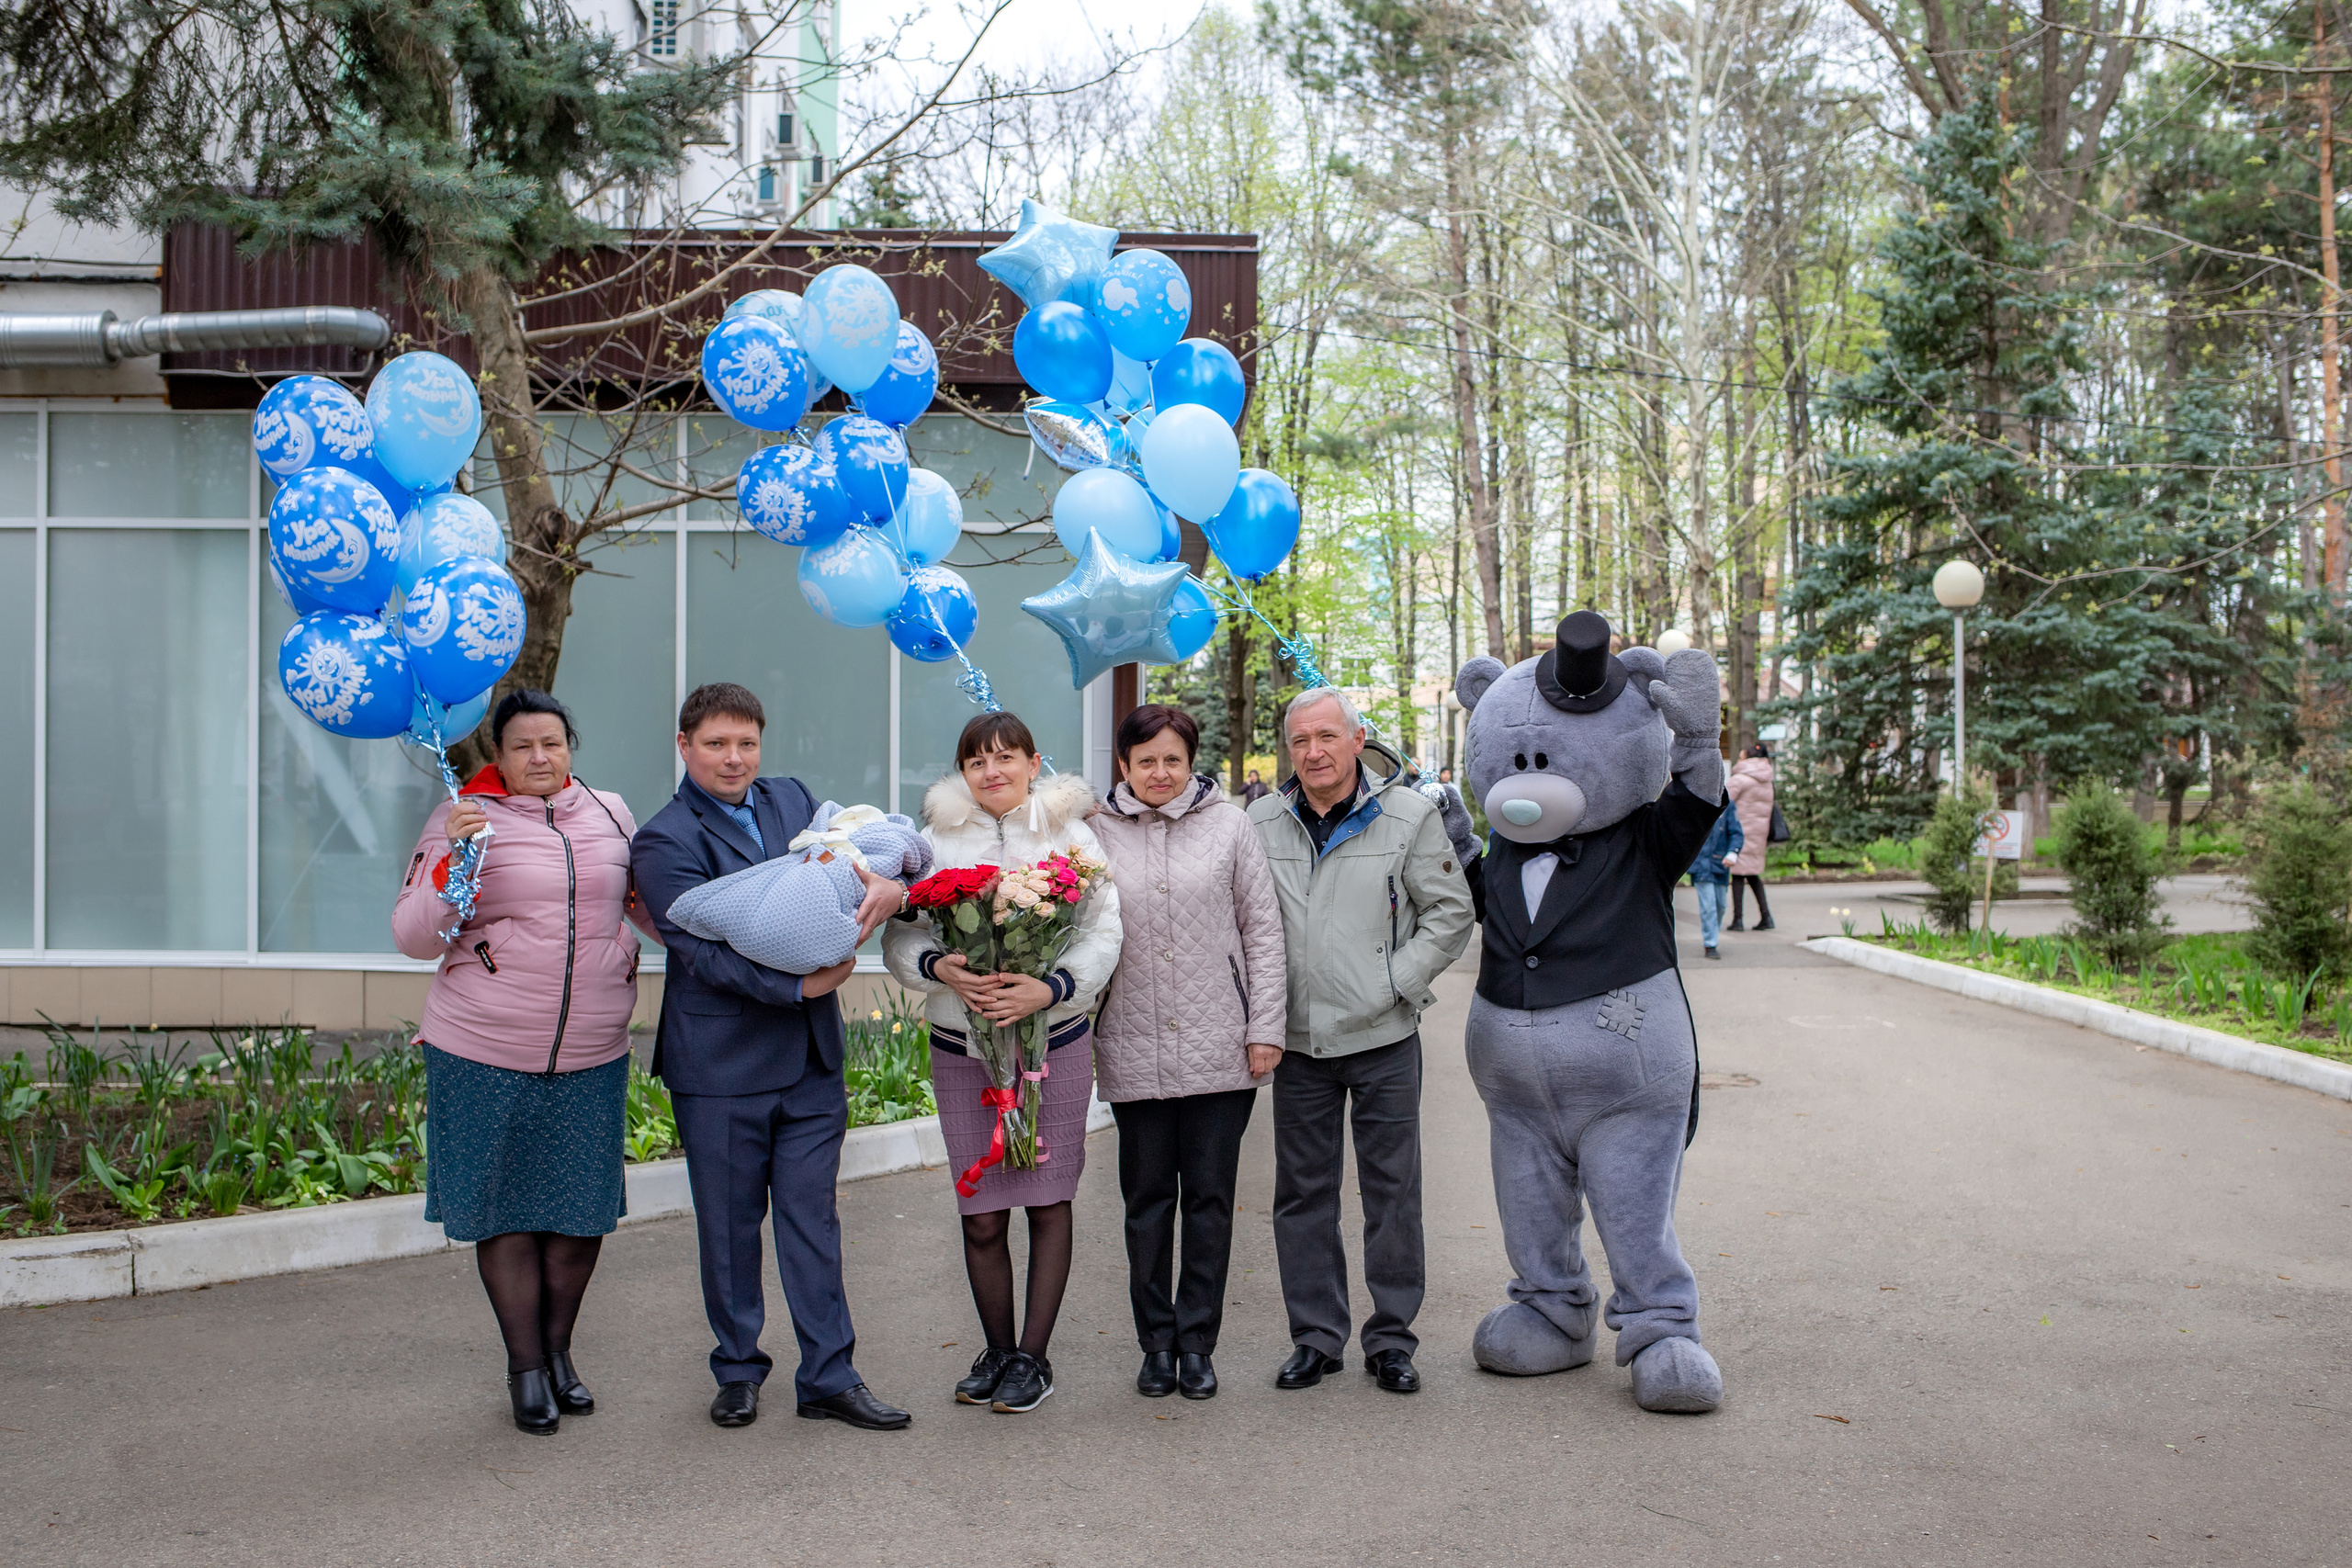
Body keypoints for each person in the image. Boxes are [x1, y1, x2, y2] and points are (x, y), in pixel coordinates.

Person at [630, 682, 912, 1434]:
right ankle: (738, 1369)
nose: (734, 758)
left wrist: (889, 884)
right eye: (717, 744)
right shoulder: (662, 840)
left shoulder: (793, 799)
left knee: (812, 1219)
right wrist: (798, 984)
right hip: (719, 1063)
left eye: (746, 742)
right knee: (728, 1228)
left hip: (811, 1061)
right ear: (684, 746)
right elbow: (698, 951)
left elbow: (848, 867)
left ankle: (829, 1374)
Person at [391, 689, 659, 1437]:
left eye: (553, 743)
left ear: (570, 746)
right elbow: (413, 935)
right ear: (497, 758)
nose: (540, 758)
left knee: (580, 1218)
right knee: (506, 1215)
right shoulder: (466, 821)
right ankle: (526, 1367)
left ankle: (560, 1350)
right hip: (483, 1046)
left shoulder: (611, 812)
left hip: (593, 1045)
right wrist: (456, 859)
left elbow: (647, 908)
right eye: (522, 747)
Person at [883, 712, 1124, 1415]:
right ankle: (997, 1347)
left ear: (1032, 762)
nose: (991, 771)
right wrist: (942, 968)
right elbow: (900, 939)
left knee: (1048, 1198)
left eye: (1005, 757)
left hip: (1054, 1041)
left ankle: (1034, 1357)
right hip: (965, 1044)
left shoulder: (1072, 837)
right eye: (976, 760)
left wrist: (1052, 986)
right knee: (981, 1209)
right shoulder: (931, 844)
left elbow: (1104, 927)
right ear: (962, 772)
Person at [1245, 688, 1474, 1395]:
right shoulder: (1260, 821)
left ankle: (1392, 1340)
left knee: (1392, 1193)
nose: (1313, 752)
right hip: (1300, 1044)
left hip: (1383, 1036)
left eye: (1326, 737)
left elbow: (1450, 912)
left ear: (1356, 739)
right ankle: (1316, 1337)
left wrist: (1393, 982)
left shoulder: (1408, 814)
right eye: (1300, 741)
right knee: (1303, 1195)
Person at [1091, 704, 1286, 1402]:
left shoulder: (1231, 826)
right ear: (1124, 765)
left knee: (1209, 1198)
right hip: (1131, 1041)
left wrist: (1264, 1026)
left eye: (1172, 758)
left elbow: (1262, 929)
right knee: (1146, 1201)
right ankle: (1155, 1343)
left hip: (1219, 1046)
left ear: (1191, 761)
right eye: (1146, 760)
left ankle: (1197, 1342)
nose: (1160, 772)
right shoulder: (1094, 831)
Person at [1725, 742, 1776, 931]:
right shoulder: (1767, 778)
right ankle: (1766, 916)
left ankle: (1737, 920)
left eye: (1740, 756)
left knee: (1738, 873)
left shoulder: (1741, 779)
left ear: (1746, 758)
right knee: (1753, 873)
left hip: (1741, 832)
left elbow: (1723, 800)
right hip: (1759, 832)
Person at [1688, 795, 1744, 959]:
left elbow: (1736, 832)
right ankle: (1710, 943)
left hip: (1720, 864)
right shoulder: (1694, 802)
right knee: (1708, 907)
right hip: (1700, 865)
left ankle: (1713, 932)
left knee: (1721, 905)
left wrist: (1733, 852)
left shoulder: (1727, 804)